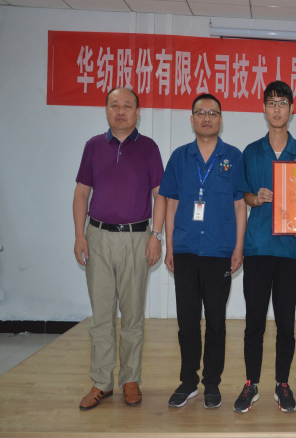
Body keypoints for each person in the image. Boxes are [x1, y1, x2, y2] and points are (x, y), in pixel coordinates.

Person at [73, 88, 165, 410]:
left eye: (127, 106)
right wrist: (79, 235)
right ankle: (101, 382)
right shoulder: (93, 146)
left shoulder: (149, 148)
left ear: (138, 112)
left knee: (132, 315)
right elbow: (81, 193)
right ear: (106, 110)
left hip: (137, 239)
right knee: (101, 316)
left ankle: (130, 380)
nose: (121, 111)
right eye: (115, 105)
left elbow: (160, 195)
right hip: (97, 238)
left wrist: (156, 236)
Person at [159, 93, 246, 409]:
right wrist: (170, 245)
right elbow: (171, 203)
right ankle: (188, 381)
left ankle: (212, 383)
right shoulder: (179, 157)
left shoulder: (233, 157)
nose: (206, 118)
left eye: (212, 113)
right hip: (185, 249)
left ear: (221, 119)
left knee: (216, 323)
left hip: (219, 250)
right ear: (192, 119)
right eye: (200, 112)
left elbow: (240, 205)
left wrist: (238, 246)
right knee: (187, 322)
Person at [233, 81, 296, 413]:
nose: (277, 109)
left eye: (282, 103)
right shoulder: (251, 152)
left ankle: (282, 384)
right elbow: (244, 196)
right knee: (254, 321)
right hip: (258, 246)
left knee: (286, 322)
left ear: (292, 109)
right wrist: (257, 198)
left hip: (290, 251)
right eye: (271, 103)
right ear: (263, 108)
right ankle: (251, 383)